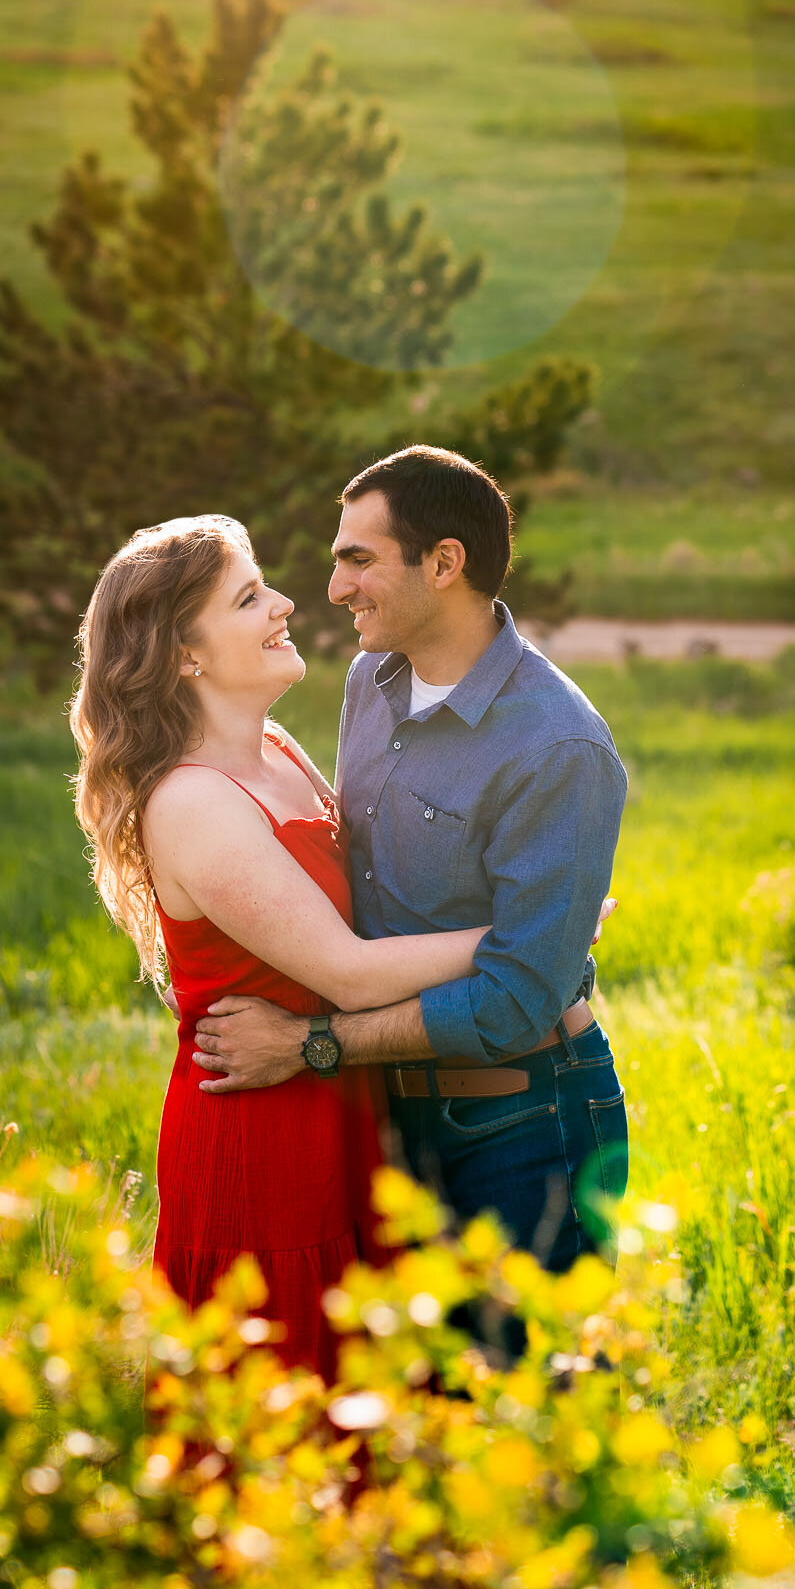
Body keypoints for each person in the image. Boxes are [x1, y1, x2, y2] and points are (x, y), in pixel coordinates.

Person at [69, 511, 495, 1377]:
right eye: (250, 597)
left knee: (359, 1382)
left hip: (334, 1095)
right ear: (184, 652)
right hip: (260, 1135)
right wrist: (524, 939)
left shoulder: (275, 747)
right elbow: (347, 968)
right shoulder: (193, 802)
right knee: (283, 1394)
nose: (287, 605)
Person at [194, 446, 629, 1274]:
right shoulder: (371, 681)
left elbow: (515, 1001)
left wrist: (311, 1044)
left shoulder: (558, 746)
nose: (334, 589)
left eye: (359, 560)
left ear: (444, 563)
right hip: (386, 1120)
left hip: (523, 1123)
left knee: (531, 1393)